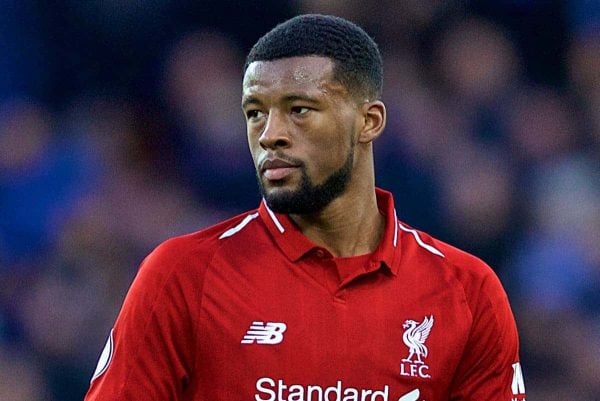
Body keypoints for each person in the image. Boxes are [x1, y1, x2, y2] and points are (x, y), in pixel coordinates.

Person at [84, 14, 526, 401]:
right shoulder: (183, 275)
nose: (269, 134)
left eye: (299, 109)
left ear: (368, 122)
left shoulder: (467, 292)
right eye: (255, 112)